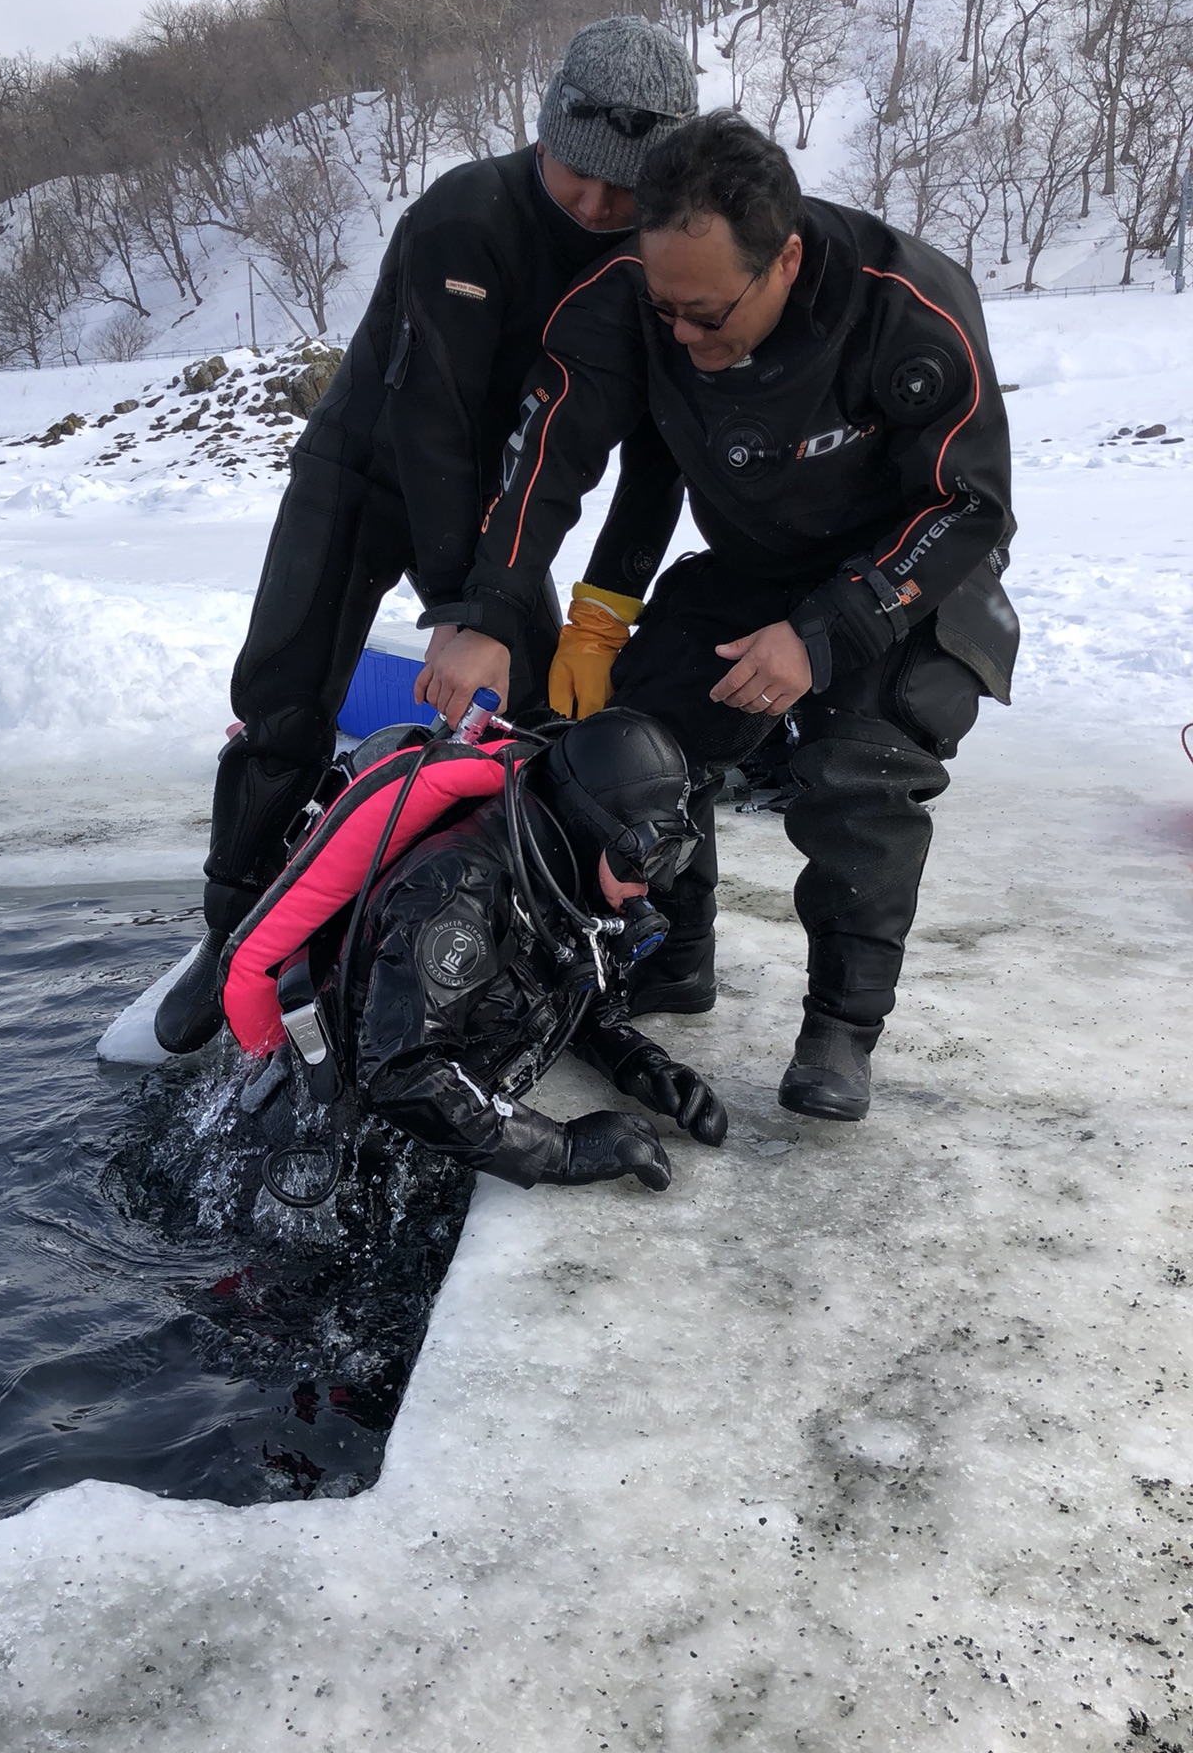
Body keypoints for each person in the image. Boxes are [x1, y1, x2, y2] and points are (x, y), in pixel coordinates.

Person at [419, 110, 1019, 1125]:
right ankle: (675, 952)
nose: (685, 338)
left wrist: (826, 635)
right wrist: (491, 608)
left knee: (854, 766)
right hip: (752, 561)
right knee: (637, 739)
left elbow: (970, 503)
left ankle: (839, 1027)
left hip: (907, 571)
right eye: (667, 312)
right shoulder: (640, 302)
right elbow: (552, 456)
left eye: (707, 314)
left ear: (784, 259)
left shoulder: (909, 307)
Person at [156, 15, 699, 1056]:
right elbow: (431, 420)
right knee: (283, 702)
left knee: (540, 721)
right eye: (572, 176)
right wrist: (464, 612)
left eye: (619, 193)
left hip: (501, 498)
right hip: (364, 468)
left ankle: (541, 926)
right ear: (541, 135)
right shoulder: (466, 216)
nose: (592, 207)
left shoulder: (657, 251)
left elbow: (633, 446)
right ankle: (230, 936)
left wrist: (566, 608)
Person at [222, 709, 727, 1193]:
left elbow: (564, 985)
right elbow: (402, 1073)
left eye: (674, 853)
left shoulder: (557, 877)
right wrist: (562, 1150)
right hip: (309, 1158)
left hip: (408, 1135)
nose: (655, 883)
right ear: (587, 826)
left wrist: (640, 1064)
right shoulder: (456, 891)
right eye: (646, 855)